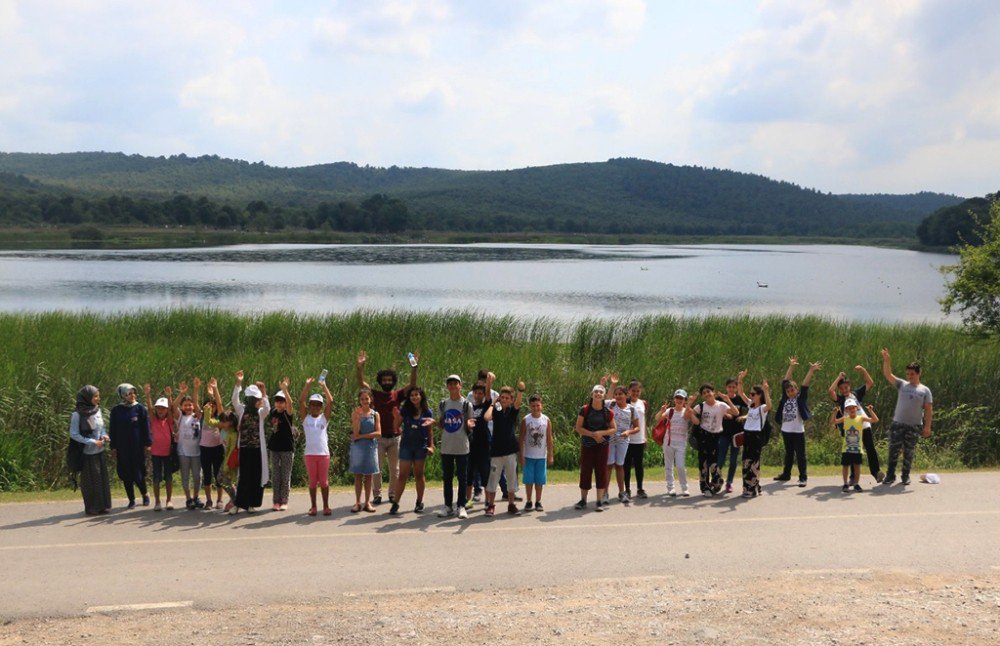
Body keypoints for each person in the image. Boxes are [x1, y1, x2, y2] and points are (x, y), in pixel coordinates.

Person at [356, 350, 418, 506]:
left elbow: (412, 385)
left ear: (393, 381)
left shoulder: (397, 395)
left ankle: (392, 494)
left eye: (389, 379)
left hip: (395, 437)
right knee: (377, 468)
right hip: (378, 438)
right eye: (384, 380)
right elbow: (362, 384)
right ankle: (377, 495)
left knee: (394, 469)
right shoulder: (375, 394)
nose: (386, 382)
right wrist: (360, 368)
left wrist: (414, 368)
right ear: (380, 381)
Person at [880, 348, 933, 486]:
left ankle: (905, 476)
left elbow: (928, 409)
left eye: (912, 374)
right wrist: (887, 360)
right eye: (908, 374)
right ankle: (890, 476)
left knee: (909, 452)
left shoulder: (925, 390)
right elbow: (888, 374)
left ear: (919, 373)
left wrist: (927, 426)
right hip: (898, 424)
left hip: (914, 426)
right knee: (893, 450)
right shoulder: (902, 385)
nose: (910, 376)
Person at [828, 365, 883, 483]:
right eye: (841, 388)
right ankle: (853, 477)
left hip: (863, 424)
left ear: (850, 386)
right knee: (853, 451)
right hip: (851, 428)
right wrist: (838, 378)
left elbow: (870, 382)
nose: (844, 390)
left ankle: (876, 472)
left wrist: (863, 370)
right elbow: (830, 391)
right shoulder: (840, 400)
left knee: (870, 448)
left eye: (846, 387)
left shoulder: (856, 394)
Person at [773, 357, 821, 487]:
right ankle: (786, 474)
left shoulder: (800, 398)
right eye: (788, 391)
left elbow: (805, 385)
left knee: (801, 455)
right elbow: (785, 382)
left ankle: (803, 477)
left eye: (792, 390)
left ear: (796, 390)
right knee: (788, 454)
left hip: (798, 431)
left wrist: (811, 370)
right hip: (786, 430)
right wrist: (791, 367)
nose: (790, 392)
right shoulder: (785, 398)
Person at [390, 386, 435, 515]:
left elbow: (429, 431)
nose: (414, 397)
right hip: (406, 446)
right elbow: (396, 427)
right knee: (402, 475)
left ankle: (419, 502)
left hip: (420, 446)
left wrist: (431, 446)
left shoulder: (427, 412)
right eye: (412, 395)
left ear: (421, 396)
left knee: (419, 475)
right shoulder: (405, 410)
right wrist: (396, 416)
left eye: (416, 395)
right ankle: (396, 503)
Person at [483, 382, 525, 517]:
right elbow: (486, 417)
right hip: (496, 451)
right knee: (493, 479)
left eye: (507, 398)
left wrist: (520, 390)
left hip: (510, 451)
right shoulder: (497, 410)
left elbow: (518, 403)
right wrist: (492, 404)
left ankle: (511, 504)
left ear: (511, 400)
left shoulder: (513, 411)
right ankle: (490, 505)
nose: (505, 399)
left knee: (512, 479)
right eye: (502, 397)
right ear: (499, 398)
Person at [690, 384, 739, 497]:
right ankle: (705, 488)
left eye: (708, 391)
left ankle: (717, 483)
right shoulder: (701, 406)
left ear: (714, 392)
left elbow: (736, 413)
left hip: (716, 437)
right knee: (703, 463)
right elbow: (691, 413)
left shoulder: (721, 405)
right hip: (703, 436)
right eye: (704, 393)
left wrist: (728, 400)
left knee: (714, 463)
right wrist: (695, 419)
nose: (707, 394)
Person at [69, 385, 112, 515]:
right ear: (87, 398)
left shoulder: (97, 410)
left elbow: (101, 427)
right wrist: (93, 441)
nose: (98, 398)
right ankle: (92, 507)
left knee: (102, 479)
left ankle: (103, 506)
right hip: (87, 453)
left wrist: (104, 435)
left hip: (99, 451)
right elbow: (74, 434)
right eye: (95, 396)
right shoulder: (77, 414)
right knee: (91, 481)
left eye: (98, 396)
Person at [232, 370, 270, 514]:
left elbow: (268, 408)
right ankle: (238, 504)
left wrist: (264, 392)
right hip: (244, 448)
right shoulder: (242, 410)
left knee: (255, 476)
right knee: (244, 477)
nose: (258, 401)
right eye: (256, 399)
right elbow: (234, 400)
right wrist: (238, 383)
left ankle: (251, 504)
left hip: (257, 449)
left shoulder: (260, 413)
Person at [437, 375, 475, 519]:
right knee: (447, 477)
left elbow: (470, 425)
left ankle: (461, 506)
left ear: (460, 385)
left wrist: (470, 425)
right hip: (447, 445)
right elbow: (442, 424)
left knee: (462, 478)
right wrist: (434, 423)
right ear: (447, 387)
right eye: (450, 384)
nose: (453, 386)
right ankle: (448, 506)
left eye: (455, 384)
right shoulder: (443, 404)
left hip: (462, 446)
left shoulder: (466, 405)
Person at [574, 384, 616, 512]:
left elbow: (614, 429)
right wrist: (593, 434)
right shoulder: (585, 409)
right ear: (592, 394)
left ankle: (599, 501)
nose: (598, 394)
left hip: (602, 446)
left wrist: (601, 433)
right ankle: (583, 500)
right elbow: (579, 428)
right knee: (585, 471)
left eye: (600, 392)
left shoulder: (608, 412)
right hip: (587, 446)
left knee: (601, 472)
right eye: (596, 392)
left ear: (604, 396)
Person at [108, 383, 150, 509]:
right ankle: (131, 499)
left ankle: (145, 494)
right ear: (123, 395)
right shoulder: (116, 410)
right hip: (122, 447)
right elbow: (113, 429)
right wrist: (113, 447)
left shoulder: (139, 409)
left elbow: (146, 428)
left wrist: (147, 443)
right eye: (129, 393)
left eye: (134, 393)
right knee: (126, 474)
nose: (133, 396)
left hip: (137, 447)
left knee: (138, 473)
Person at [298, 377, 333, 516]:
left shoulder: (324, 418)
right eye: (312, 404)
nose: (315, 407)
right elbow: (301, 401)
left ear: (321, 407)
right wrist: (307, 386)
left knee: (324, 482)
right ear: (309, 406)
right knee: (312, 482)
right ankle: (313, 506)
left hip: (323, 454)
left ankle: (326, 506)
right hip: (310, 455)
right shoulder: (305, 419)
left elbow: (330, 401)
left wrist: (324, 386)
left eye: (318, 405)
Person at [603, 378, 640, 505]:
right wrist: (613, 385)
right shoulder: (611, 405)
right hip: (610, 439)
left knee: (620, 466)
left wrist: (628, 432)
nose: (618, 396)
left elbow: (637, 427)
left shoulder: (632, 410)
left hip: (623, 440)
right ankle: (605, 493)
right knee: (608, 465)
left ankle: (621, 492)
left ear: (626, 395)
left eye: (621, 394)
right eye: (616, 394)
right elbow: (605, 398)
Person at [654, 389, 695, 497]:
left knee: (681, 466)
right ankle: (670, 488)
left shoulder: (687, 411)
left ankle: (684, 487)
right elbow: (657, 418)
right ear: (674, 399)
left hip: (681, 443)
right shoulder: (670, 411)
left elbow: (694, 420)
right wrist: (661, 410)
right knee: (668, 466)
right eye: (677, 398)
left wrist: (690, 405)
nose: (679, 400)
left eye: (681, 398)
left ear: (684, 400)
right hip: (668, 442)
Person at [832, 399, 879, 492]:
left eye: (853, 407)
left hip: (857, 448)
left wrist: (870, 410)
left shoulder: (861, 418)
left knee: (857, 466)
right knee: (845, 466)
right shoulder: (845, 419)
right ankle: (845, 484)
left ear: (856, 408)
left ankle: (856, 484)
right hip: (846, 448)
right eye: (849, 408)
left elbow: (875, 420)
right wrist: (835, 412)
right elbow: (833, 421)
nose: (851, 409)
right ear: (846, 410)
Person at [737, 380, 771, 498]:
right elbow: (741, 393)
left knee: (754, 463)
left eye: (753, 394)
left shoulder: (762, 408)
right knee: (746, 461)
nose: (750, 396)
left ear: (759, 395)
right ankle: (752, 487)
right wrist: (740, 380)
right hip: (747, 434)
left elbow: (769, 406)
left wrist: (766, 391)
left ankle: (751, 489)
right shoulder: (751, 405)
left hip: (756, 436)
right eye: (750, 394)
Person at [519, 394, 553, 512]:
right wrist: (521, 455)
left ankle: (538, 501)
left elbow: (549, 439)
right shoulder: (526, 420)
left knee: (539, 480)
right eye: (533, 406)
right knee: (528, 480)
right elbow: (522, 438)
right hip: (528, 455)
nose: (535, 408)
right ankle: (529, 501)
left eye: (537, 405)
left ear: (541, 406)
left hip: (541, 456)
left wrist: (550, 455)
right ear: (530, 406)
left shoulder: (546, 420)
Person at [174, 379, 205, 510]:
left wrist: (196, 389)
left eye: (190, 405)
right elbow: (173, 406)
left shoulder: (197, 416)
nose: (188, 407)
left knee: (198, 477)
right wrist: (181, 394)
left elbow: (197, 405)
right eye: (185, 405)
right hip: (183, 452)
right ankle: (188, 499)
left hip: (197, 452)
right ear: (182, 407)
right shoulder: (180, 416)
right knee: (185, 477)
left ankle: (196, 497)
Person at [144, 384, 175, 511]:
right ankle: (157, 501)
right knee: (156, 478)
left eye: (163, 408)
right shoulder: (154, 420)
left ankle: (169, 500)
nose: (160, 410)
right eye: (159, 408)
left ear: (167, 410)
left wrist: (169, 396)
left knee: (168, 477)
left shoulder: (169, 420)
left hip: (168, 453)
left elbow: (173, 409)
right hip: (156, 453)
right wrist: (147, 395)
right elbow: (150, 409)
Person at [350, 389, 381, 513]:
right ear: (359, 400)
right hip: (358, 448)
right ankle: (357, 502)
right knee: (358, 475)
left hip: (370, 448)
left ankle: (367, 502)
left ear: (370, 399)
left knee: (369, 476)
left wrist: (363, 436)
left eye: (366, 399)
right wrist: (357, 418)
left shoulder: (375, 414)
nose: (364, 401)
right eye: (362, 399)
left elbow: (378, 433)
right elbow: (356, 432)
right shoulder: (355, 413)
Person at [267, 378, 296, 511]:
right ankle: (276, 501)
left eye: (281, 401)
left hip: (287, 448)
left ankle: (284, 500)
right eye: (277, 401)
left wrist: (285, 389)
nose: (279, 403)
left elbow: (291, 403)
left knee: (285, 475)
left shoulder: (287, 413)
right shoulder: (273, 412)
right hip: (274, 448)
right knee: (276, 475)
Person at [718, 371, 748, 494]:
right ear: (726, 387)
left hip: (737, 434)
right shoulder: (720, 399)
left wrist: (743, 417)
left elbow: (752, 410)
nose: (731, 389)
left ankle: (729, 483)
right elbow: (713, 410)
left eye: (733, 387)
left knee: (733, 460)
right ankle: (717, 480)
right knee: (720, 459)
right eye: (729, 386)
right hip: (723, 433)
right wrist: (723, 414)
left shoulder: (740, 399)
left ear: (736, 388)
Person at [199, 378, 226, 510]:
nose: (212, 407)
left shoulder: (219, 418)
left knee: (218, 475)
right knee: (207, 476)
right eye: (209, 405)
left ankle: (219, 500)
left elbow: (220, 405)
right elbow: (196, 403)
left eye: (213, 405)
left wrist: (215, 389)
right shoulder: (202, 417)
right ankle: (209, 501)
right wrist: (197, 388)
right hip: (205, 449)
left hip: (218, 448)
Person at [623, 379, 649, 500]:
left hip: (639, 439)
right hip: (627, 439)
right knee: (626, 465)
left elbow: (643, 422)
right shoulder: (624, 403)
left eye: (638, 391)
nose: (635, 393)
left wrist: (645, 437)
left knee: (639, 465)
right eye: (633, 391)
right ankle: (627, 489)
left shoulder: (642, 403)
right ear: (628, 391)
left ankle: (640, 488)